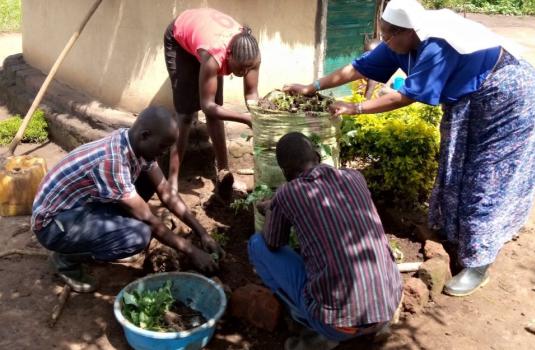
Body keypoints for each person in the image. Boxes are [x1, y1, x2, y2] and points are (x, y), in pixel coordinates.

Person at [284, 0, 535, 297]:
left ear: (408, 31)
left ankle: (478, 262)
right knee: (457, 167)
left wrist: (355, 108)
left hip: (509, 97)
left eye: (388, 35)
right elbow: (357, 68)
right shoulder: (401, 39)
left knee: (488, 177)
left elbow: (406, 97)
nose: (384, 41)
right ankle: (457, 234)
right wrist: (312, 86)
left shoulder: (437, 45)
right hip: (471, 99)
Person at [31, 107, 224, 293]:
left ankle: (101, 238)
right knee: (138, 236)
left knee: (149, 182)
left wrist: (202, 233)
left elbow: (166, 192)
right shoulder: (113, 161)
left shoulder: (134, 143)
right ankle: (66, 259)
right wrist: (192, 252)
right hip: (53, 224)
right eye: (163, 146)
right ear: (145, 135)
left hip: (79, 206)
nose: (164, 152)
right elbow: (148, 219)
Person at [248, 132, 402, 349]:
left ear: (285, 172)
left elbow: (273, 242)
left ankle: (308, 324)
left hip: (336, 325)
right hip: (387, 307)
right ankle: (373, 327)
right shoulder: (354, 176)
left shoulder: (288, 192)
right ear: (318, 156)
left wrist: (271, 209)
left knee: (256, 245)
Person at [164, 8, 260, 195]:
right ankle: (172, 180)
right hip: (180, 39)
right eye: (239, 69)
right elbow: (207, 106)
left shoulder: (250, 55)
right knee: (185, 116)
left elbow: (252, 94)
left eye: (248, 69)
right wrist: (245, 119)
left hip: (205, 38)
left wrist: (258, 116)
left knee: (217, 115)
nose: (243, 73)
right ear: (229, 55)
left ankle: (224, 173)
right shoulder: (215, 56)